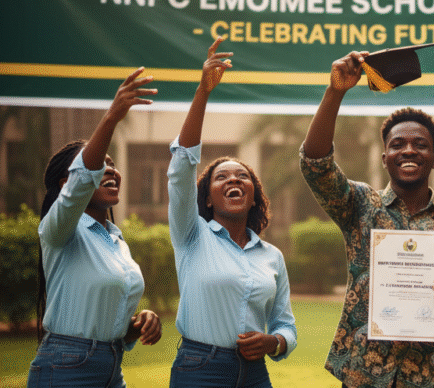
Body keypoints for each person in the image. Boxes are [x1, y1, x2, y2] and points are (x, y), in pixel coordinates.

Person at [299, 50, 434, 388]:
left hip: (429, 378)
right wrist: (335, 92)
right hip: (363, 376)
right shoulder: (360, 206)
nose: (408, 150)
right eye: (398, 144)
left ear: (433, 159)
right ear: (386, 158)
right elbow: (316, 165)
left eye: (420, 144)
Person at [167, 37, 297, 388]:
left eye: (242, 176)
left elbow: (286, 324)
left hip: (255, 375)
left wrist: (275, 342)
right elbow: (181, 170)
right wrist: (203, 93)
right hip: (199, 369)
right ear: (207, 199)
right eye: (221, 177)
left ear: (254, 196)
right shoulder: (190, 235)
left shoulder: (272, 257)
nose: (233, 180)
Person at [29, 68, 162, 388]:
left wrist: (137, 324)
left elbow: (104, 319)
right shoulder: (60, 230)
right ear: (67, 184)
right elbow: (81, 178)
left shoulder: (115, 241)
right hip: (66, 367)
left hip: (110, 367)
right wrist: (112, 117)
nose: (111, 171)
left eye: (113, 166)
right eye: (100, 165)